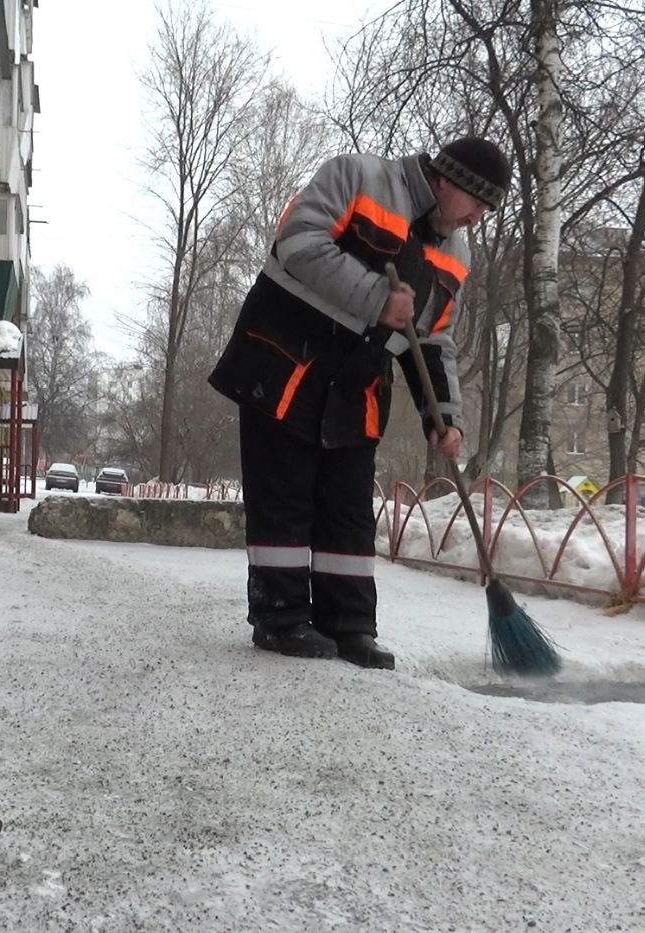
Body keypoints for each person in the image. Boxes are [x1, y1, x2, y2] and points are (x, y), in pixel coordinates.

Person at [208, 136, 511, 670]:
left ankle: (348, 626)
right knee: (285, 497)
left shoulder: (455, 253)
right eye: (477, 204)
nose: (477, 219)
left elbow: (435, 339)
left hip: (356, 388)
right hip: (284, 367)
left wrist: (442, 415)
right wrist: (377, 297)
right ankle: (280, 619)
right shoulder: (356, 178)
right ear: (448, 181)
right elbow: (297, 243)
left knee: (349, 510)